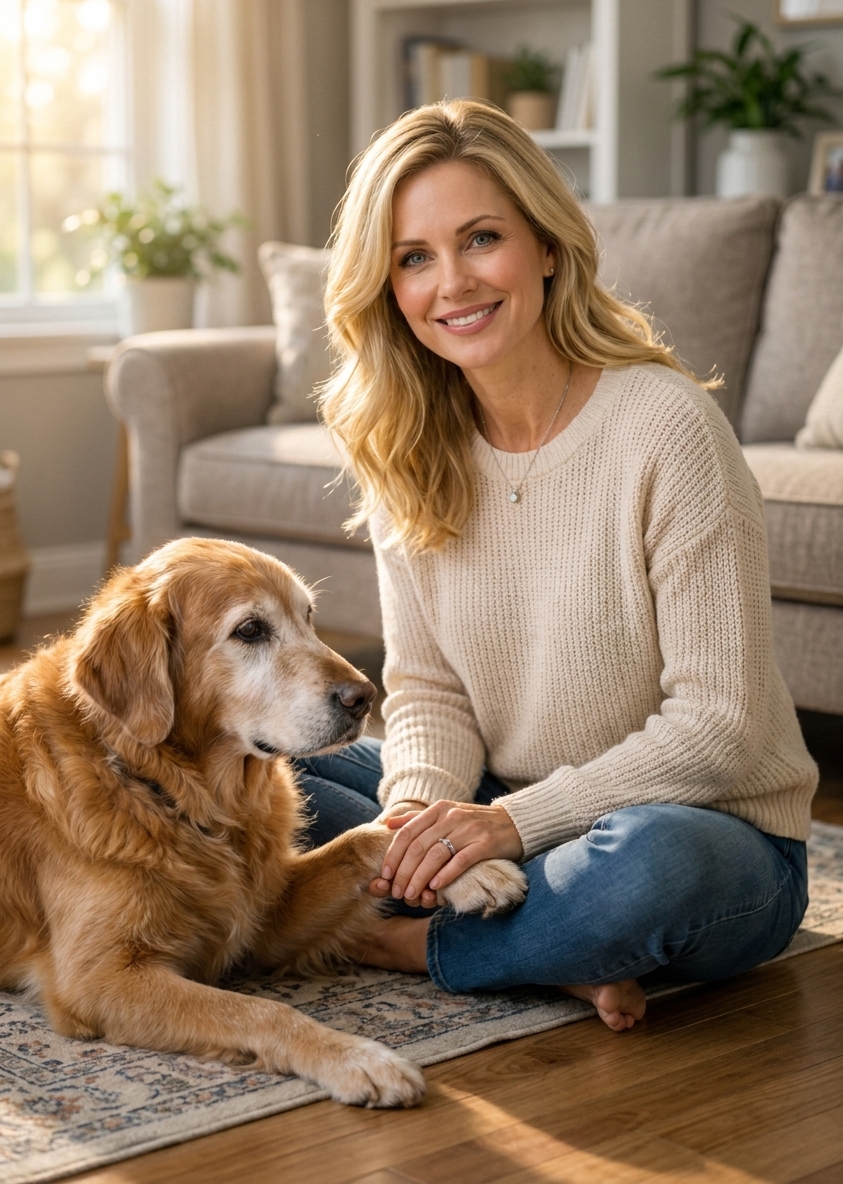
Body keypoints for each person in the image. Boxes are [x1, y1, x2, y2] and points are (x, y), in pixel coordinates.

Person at [291, 99, 817, 1032]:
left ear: (544, 243)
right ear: (387, 285)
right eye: (414, 257)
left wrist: (510, 829)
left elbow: (720, 726)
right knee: (244, 780)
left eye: (480, 238)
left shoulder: (665, 429)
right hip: (497, 803)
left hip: (698, 829)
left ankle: (395, 940)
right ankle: (543, 947)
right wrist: (416, 819)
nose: (451, 283)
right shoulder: (407, 445)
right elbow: (427, 688)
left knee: (655, 869)